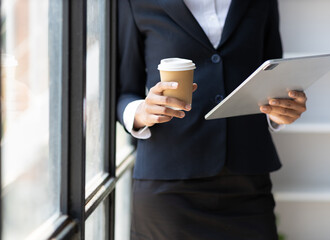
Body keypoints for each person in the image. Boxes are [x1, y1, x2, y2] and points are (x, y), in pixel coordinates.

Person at [117, 0, 307, 239]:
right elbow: (124, 92)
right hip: (169, 187)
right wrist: (142, 112)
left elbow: (272, 77)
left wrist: (281, 112)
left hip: (248, 188)